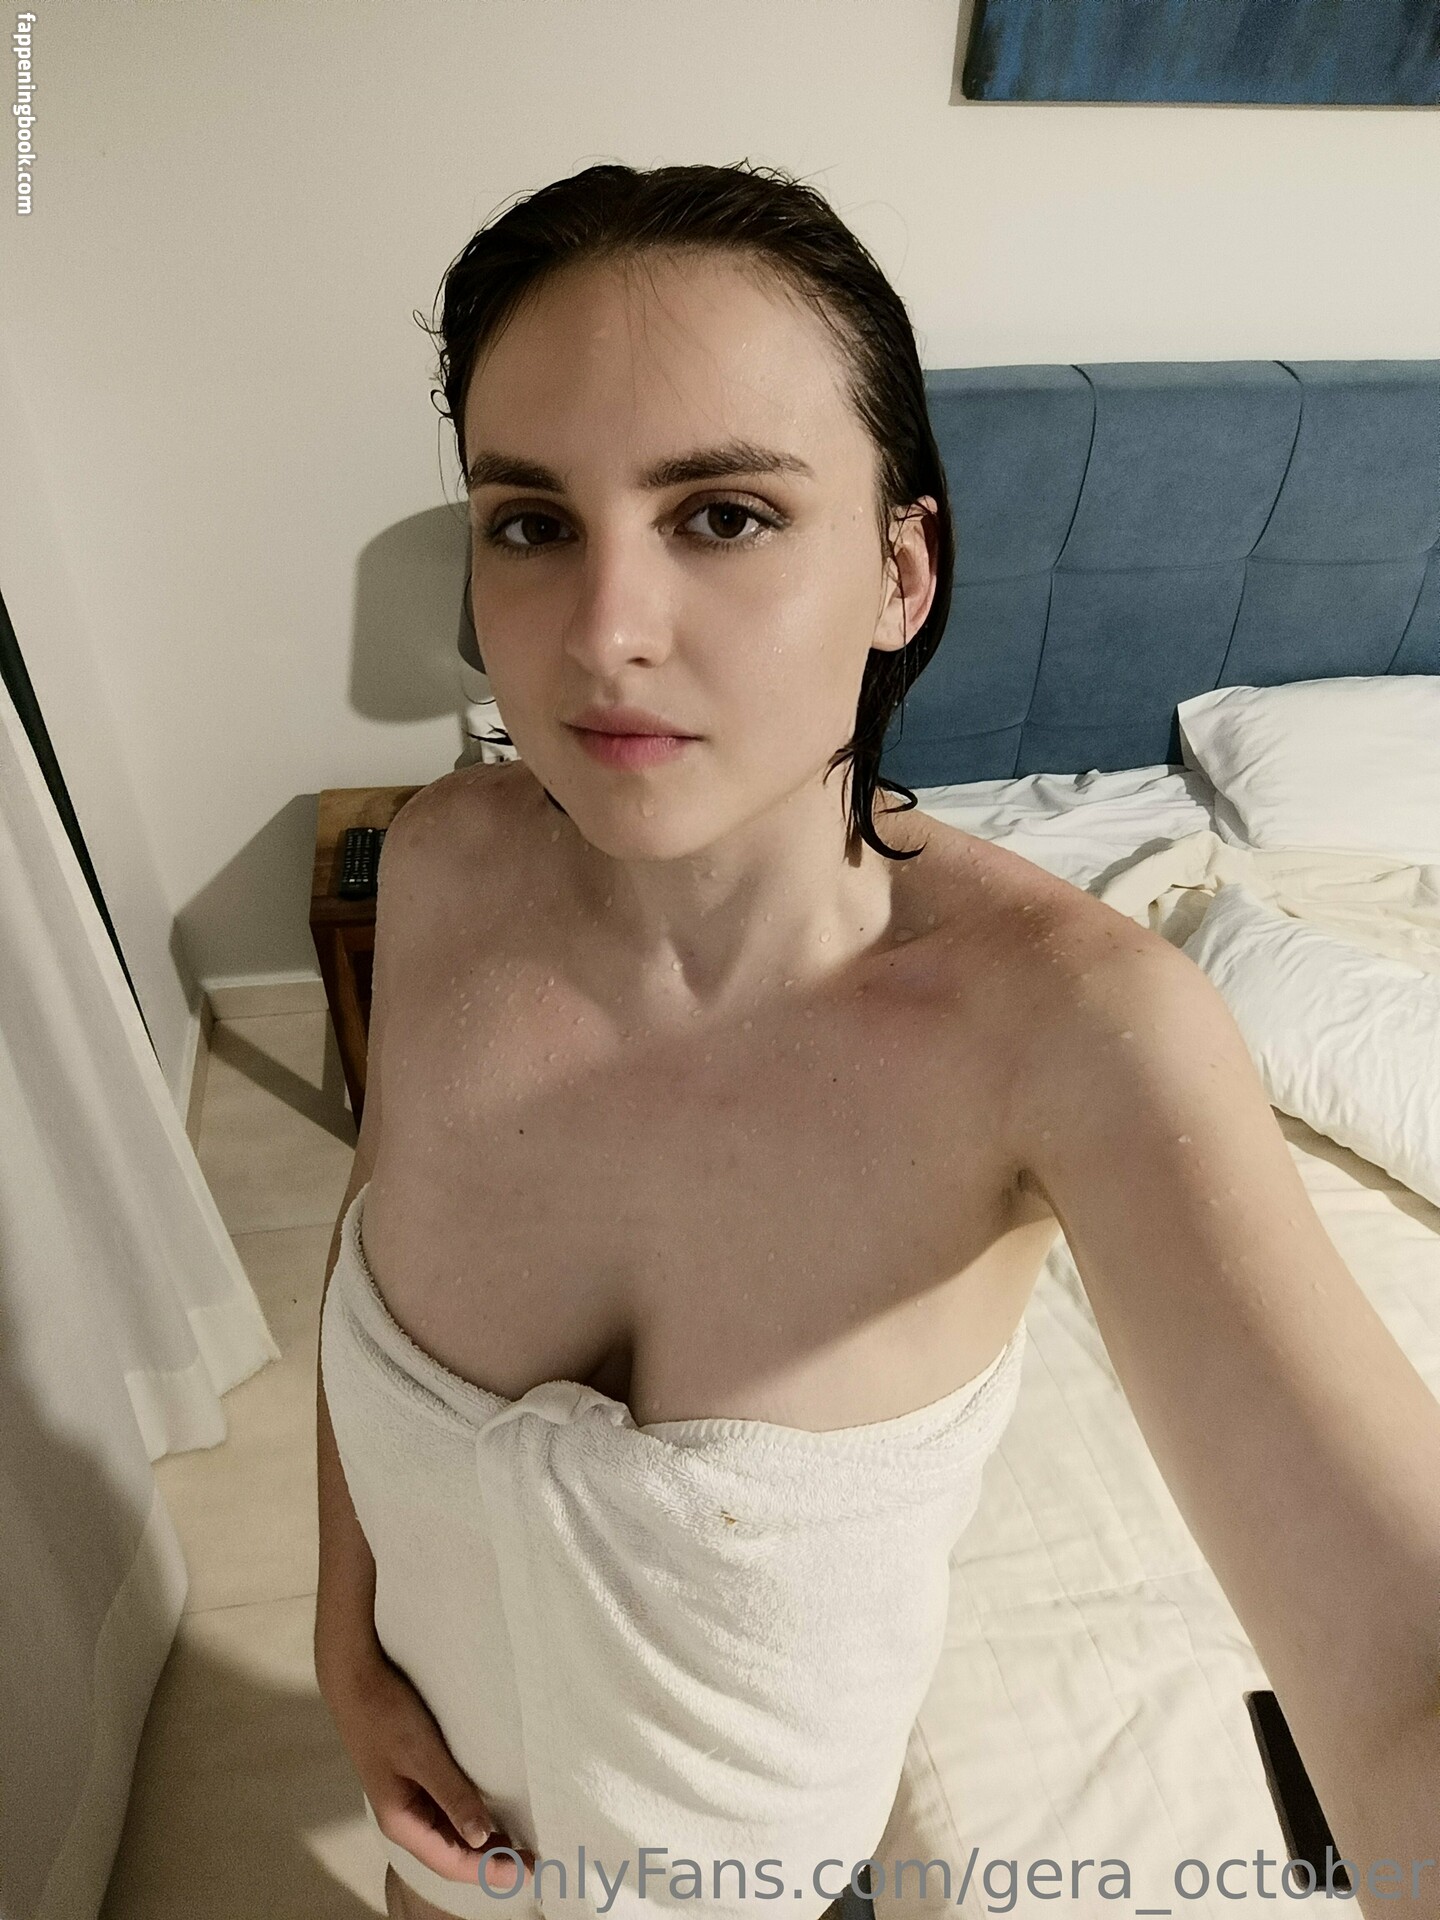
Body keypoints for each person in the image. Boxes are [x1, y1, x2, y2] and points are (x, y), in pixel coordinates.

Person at [314, 164, 1440, 1920]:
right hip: (438, 1881)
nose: (605, 633)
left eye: (724, 515)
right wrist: (346, 1651)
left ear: (901, 569)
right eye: (531, 523)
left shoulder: (1079, 1032)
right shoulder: (444, 866)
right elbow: (372, 1235)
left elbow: (1405, 1672)